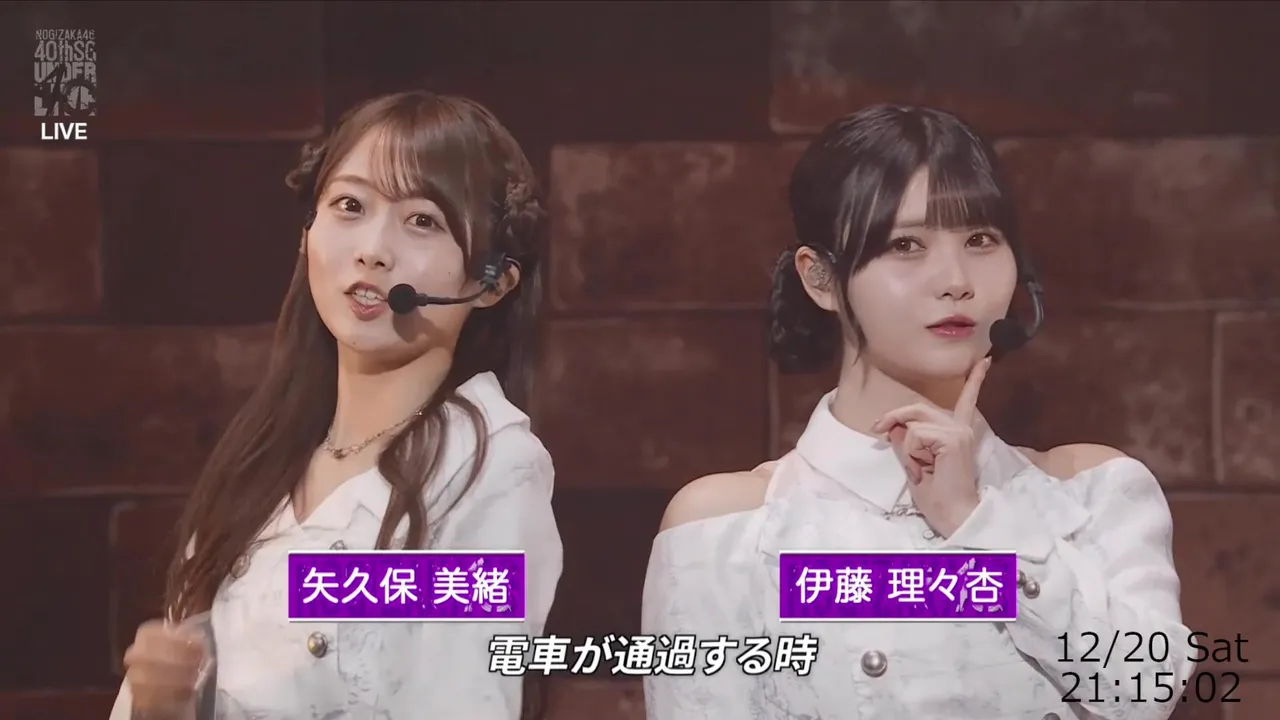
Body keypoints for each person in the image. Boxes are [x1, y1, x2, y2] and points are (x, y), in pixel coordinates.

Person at [642, 105, 1192, 719]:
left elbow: (1146, 691)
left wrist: (975, 520)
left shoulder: (1091, 494)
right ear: (820, 278)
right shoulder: (729, 530)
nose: (956, 280)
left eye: (980, 240)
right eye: (905, 245)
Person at [109, 91, 562, 720]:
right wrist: (161, 704)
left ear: (492, 283)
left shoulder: (489, 464)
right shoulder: (262, 460)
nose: (373, 249)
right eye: (351, 206)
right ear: (307, 234)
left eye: (422, 221)